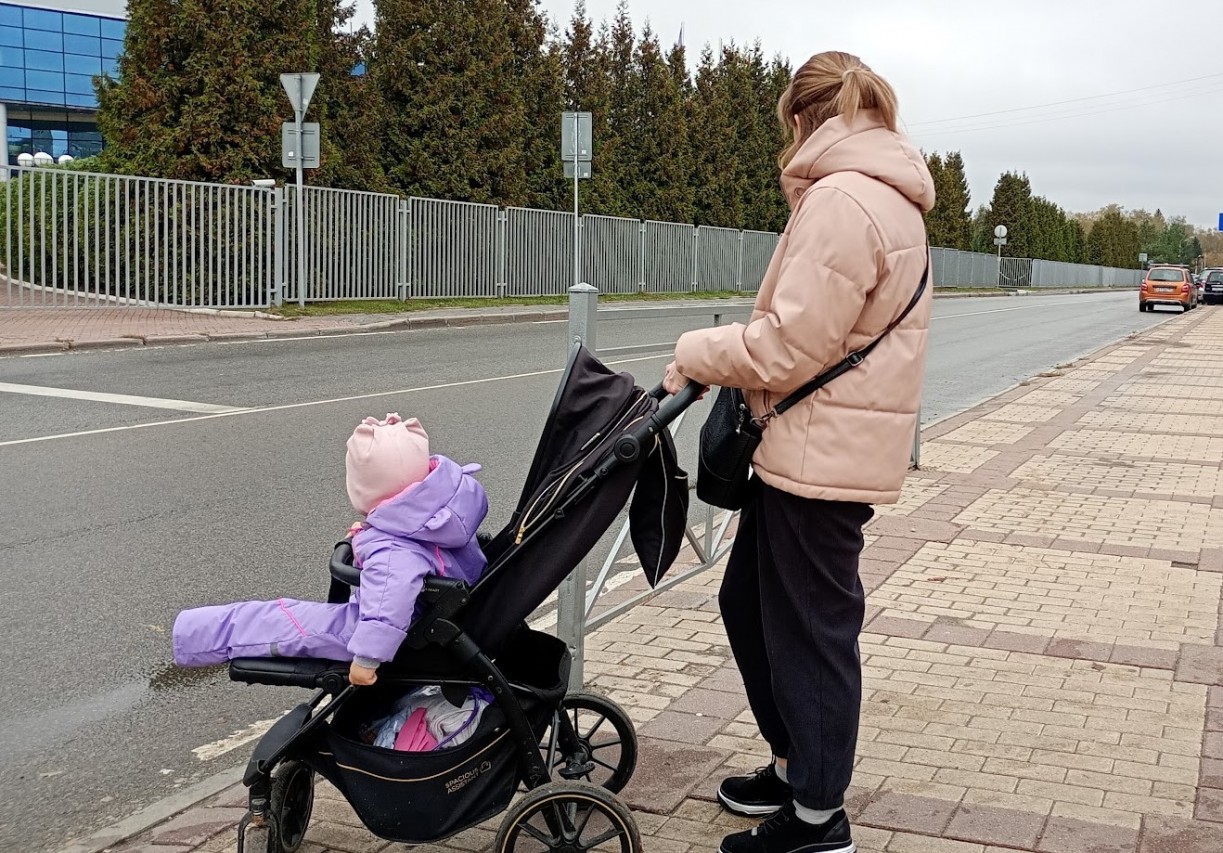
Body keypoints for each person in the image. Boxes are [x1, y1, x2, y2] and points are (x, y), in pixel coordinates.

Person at [663, 51, 933, 853]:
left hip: (822, 458)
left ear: (797, 116)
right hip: (813, 447)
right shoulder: (876, 192)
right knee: (749, 605)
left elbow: (786, 346)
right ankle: (792, 766)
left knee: (810, 634)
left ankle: (818, 819)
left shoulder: (844, 200)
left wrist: (693, 350)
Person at [172, 414, 489, 687]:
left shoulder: (392, 548)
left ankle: (193, 637)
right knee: (283, 617)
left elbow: (387, 600)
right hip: (441, 612)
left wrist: (367, 658)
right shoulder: (441, 513)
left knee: (283, 622)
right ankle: (196, 634)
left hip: (392, 629)